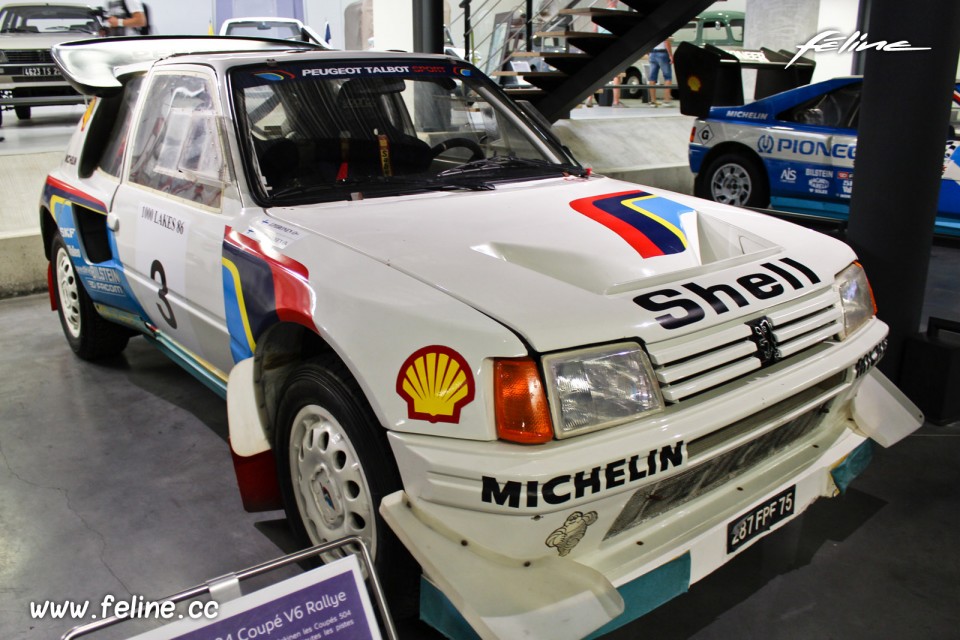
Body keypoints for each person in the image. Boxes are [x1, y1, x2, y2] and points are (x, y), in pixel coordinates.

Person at [647, 37, 673, 107]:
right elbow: (666, 42)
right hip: (662, 53)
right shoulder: (666, 28)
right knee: (668, 77)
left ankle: (653, 101)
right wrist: (670, 55)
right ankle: (666, 101)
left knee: (652, 78)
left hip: (652, 53)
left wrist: (648, 53)